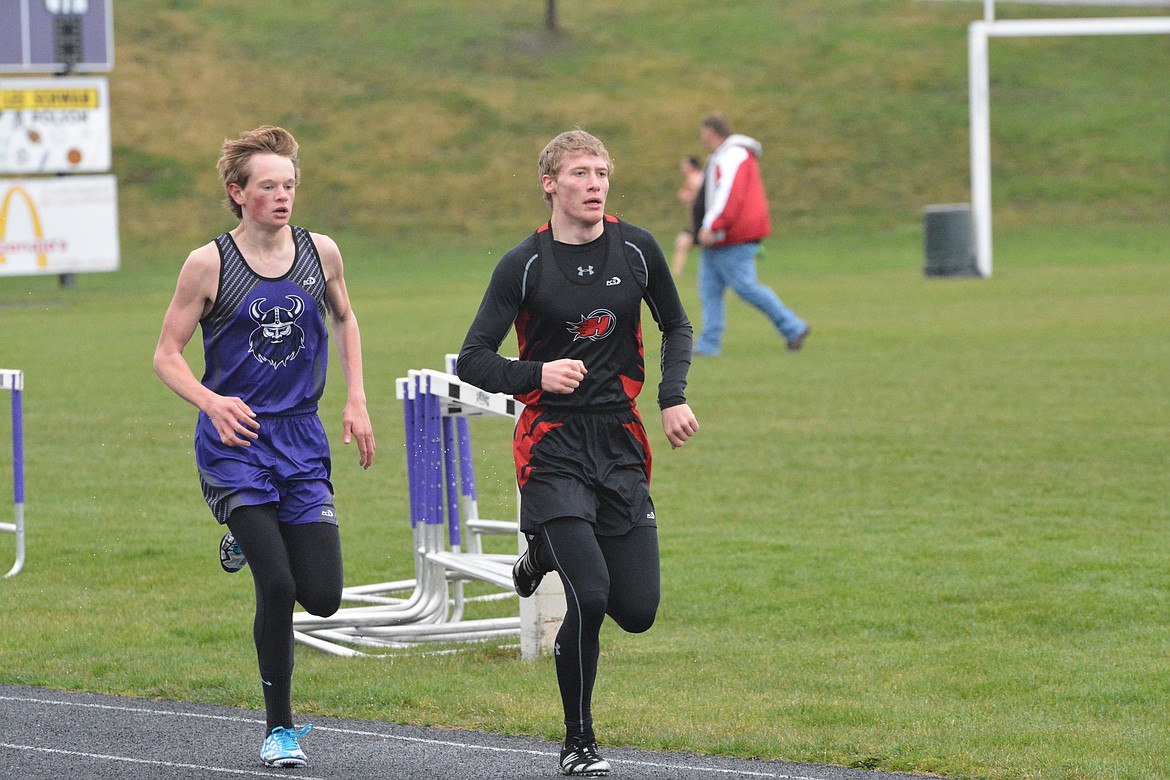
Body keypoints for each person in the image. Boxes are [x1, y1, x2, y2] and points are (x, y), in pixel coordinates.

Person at [457, 129, 699, 777]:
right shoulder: (524, 265)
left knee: (637, 611)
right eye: (581, 173)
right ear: (551, 184)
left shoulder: (639, 249)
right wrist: (536, 375)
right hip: (553, 445)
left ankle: (538, 550)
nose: (595, 184)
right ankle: (579, 740)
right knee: (588, 595)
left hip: (620, 439)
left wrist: (672, 397)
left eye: (602, 172)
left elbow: (677, 324)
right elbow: (474, 359)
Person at [153, 125, 376, 768]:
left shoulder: (321, 252)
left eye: (290, 184)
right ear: (238, 192)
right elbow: (167, 355)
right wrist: (210, 401)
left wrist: (356, 397)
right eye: (269, 186)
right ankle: (278, 728)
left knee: (324, 596)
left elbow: (345, 316)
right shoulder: (209, 263)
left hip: (301, 438)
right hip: (236, 441)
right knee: (276, 584)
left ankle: (245, 540)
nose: (283, 196)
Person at [693, 112, 809, 356]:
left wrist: (712, 225)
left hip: (733, 236)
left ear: (712, 132)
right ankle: (709, 344)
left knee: (745, 286)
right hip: (722, 238)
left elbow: (727, 194)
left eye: (703, 132)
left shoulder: (732, 155)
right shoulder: (726, 155)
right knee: (709, 290)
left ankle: (792, 326)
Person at [671, 155, 704, 277]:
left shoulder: (695, 179)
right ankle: (675, 276)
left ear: (691, 166)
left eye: (685, 164)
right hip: (695, 224)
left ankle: (675, 275)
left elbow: (702, 198)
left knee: (682, 243)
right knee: (681, 243)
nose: (682, 166)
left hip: (701, 224)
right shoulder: (695, 178)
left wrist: (687, 197)